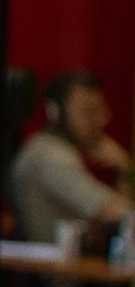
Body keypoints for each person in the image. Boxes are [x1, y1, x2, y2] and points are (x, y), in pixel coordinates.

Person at [10, 69, 134, 248]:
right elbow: (117, 213)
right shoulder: (50, 155)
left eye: (102, 109)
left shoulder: (56, 149)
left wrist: (122, 170)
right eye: (89, 112)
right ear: (55, 112)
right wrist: (124, 164)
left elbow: (124, 225)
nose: (102, 120)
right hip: (58, 272)